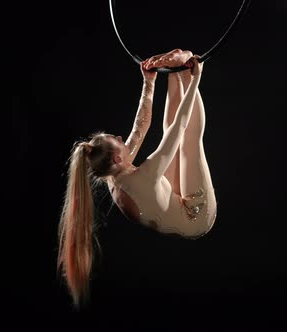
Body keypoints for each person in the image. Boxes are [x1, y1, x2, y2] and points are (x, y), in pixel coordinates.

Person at [56, 49, 217, 309]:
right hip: (196, 217)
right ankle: (182, 73)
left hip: (170, 203)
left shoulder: (113, 172)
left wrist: (149, 81)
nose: (122, 140)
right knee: (187, 143)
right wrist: (195, 78)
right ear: (118, 159)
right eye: (118, 142)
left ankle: (176, 71)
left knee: (174, 137)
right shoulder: (141, 177)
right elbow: (180, 127)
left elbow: (140, 127)